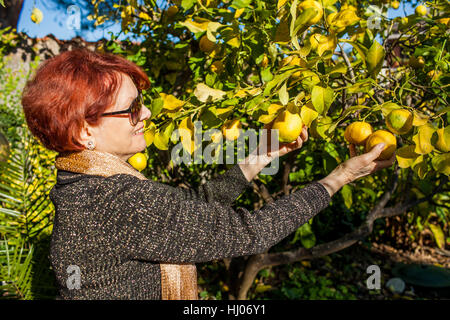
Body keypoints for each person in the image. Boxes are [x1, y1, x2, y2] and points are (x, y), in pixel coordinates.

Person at [21, 48, 395, 300]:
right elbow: (250, 232)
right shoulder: (117, 200)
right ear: (85, 131)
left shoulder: (83, 185)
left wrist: (259, 156)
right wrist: (337, 179)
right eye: (131, 109)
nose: (147, 114)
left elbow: (190, 210)